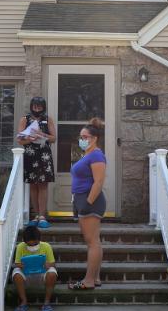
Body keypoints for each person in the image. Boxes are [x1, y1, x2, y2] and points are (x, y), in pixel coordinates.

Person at [67, 117, 106, 290]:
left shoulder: (97, 154)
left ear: (94, 138)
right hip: (82, 199)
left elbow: (98, 182)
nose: (81, 139)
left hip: (89, 200)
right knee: (94, 241)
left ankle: (88, 281)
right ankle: (95, 278)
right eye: (80, 137)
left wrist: (88, 202)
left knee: (92, 242)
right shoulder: (88, 154)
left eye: (85, 137)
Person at [18, 97, 56, 229]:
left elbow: (53, 138)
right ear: (31, 107)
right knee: (33, 185)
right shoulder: (25, 119)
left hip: (44, 155)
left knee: (43, 184)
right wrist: (30, 138)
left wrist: (41, 134)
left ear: (43, 107)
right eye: (35, 107)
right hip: (30, 155)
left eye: (39, 107)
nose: (37, 109)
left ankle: (42, 216)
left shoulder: (47, 119)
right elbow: (20, 140)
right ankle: (35, 215)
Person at [12, 225, 58, 311]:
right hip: (26, 273)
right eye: (30, 245)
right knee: (16, 273)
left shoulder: (46, 246)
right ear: (24, 241)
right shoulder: (20, 246)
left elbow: (53, 263)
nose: (33, 246)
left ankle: (46, 303)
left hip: (42, 273)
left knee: (52, 273)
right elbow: (16, 264)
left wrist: (48, 265)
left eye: (35, 244)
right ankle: (24, 302)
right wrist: (22, 265)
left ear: (39, 240)